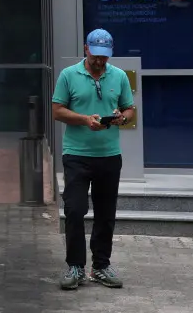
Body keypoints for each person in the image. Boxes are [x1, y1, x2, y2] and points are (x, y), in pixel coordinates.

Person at [52, 29, 135, 291]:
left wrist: (123, 118)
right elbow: (57, 111)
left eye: (105, 57)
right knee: (74, 210)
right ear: (86, 49)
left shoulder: (119, 76)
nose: (101, 61)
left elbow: (130, 108)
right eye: (97, 55)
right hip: (76, 155)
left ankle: (100, 266)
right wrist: (85, 120)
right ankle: (75, 266)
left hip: (109, 156)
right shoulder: (68, 75)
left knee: (105, 213)